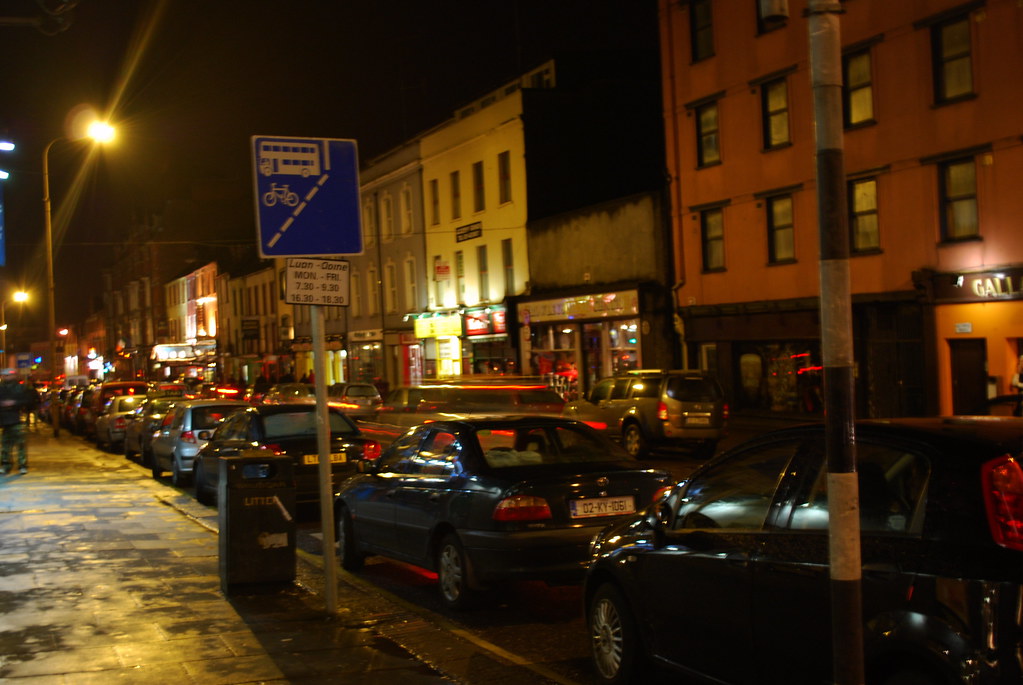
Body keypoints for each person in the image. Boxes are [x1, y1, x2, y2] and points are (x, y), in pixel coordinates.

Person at [0, 370, 36, 475]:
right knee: (6, 445)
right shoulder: (3, 388)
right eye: (4, 375)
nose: (6, 377)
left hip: (17, 419)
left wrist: (14, 403)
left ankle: (22, 465)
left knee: (20, 443)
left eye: (8, 375)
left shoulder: (20, 388)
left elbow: (29, 401)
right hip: (5, 420)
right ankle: (6, 465)